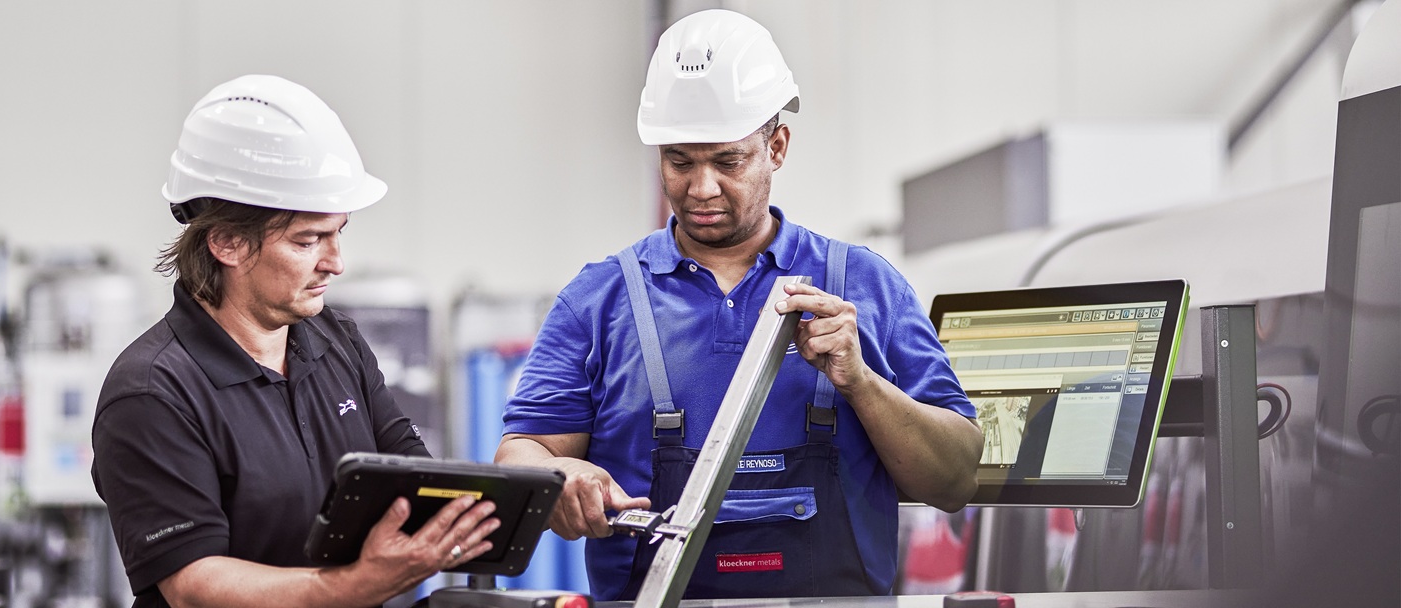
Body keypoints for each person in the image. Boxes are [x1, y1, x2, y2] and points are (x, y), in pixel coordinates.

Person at [495, 9, 983, 600]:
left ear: (776, 146)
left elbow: (955, 477)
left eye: (727, 162)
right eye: (679, 161)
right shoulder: (598, 300)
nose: (700, 189)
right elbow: (522, 453)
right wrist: (556, 475)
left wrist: (860, 382)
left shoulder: (866, 285)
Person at [91, 74, 499, 608]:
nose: (336, 262)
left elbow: (410, 471)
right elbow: (194, 585)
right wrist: (349, 588)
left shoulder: (335, 340)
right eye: (308, 240)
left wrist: (503, 501)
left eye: (338, 233)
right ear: (228, 242)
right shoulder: (152, 392)